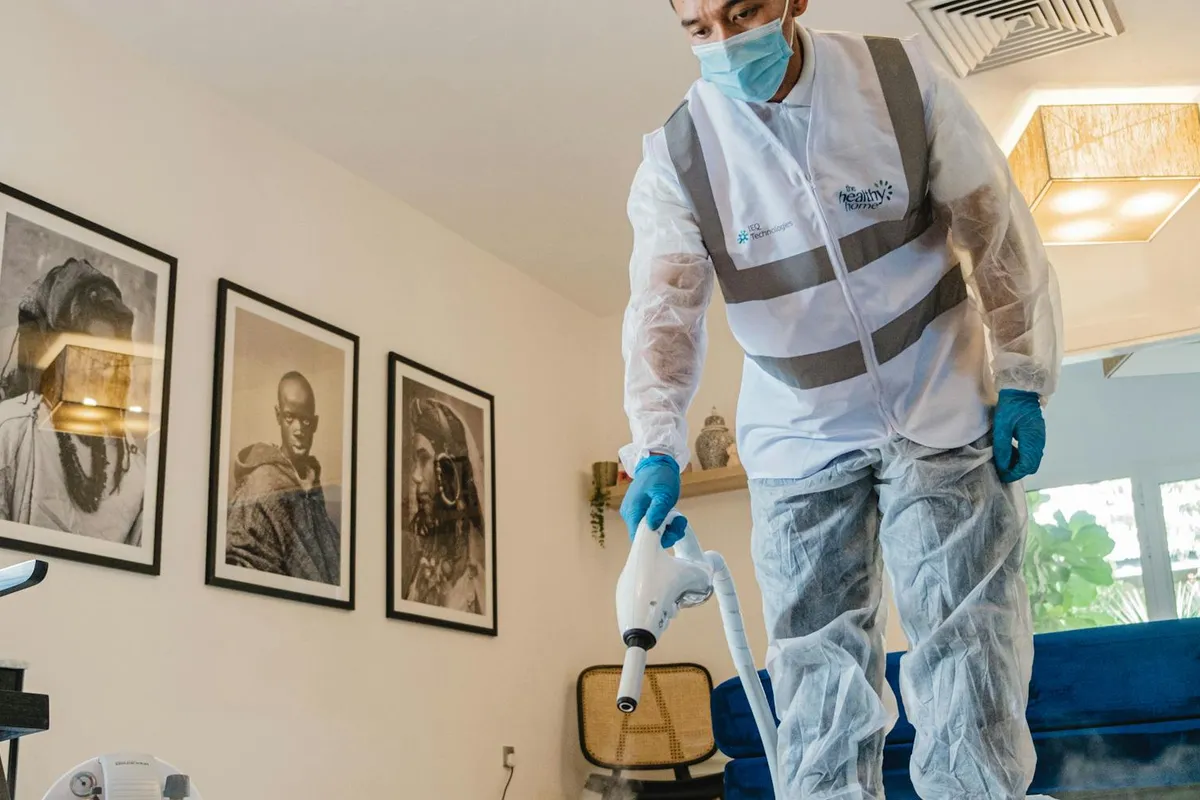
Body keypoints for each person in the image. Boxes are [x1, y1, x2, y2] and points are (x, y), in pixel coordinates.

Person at [619, 2, 1062, 798]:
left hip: (937, 395)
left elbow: (993, 229)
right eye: (698, 28)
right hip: (801, 430)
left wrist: (1023, 374)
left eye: (743, 13)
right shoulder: (680, 156)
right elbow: (664, 312)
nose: (724, 43)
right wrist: (656, 442)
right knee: (818, 678)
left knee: (968, 649)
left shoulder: (898, 80)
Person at [0, 258, 146, 542]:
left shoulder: (130, 460)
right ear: (55, 355)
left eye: (109, 354)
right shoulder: (12, 430)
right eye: (85, 351)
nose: (99, 366)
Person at [226, 371, 341, 585]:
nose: (298, 430)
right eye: (290, 418)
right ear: (278, 416)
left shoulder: (313, 486)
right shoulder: (261, 484)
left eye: (306, 421)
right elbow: (243, 563)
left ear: (315, 424)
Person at [401, 396, 486, 614]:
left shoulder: (477, 586)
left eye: (423, 459)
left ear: (447, 468)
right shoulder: (422, 570)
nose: (415, 476)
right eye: (415, 461)